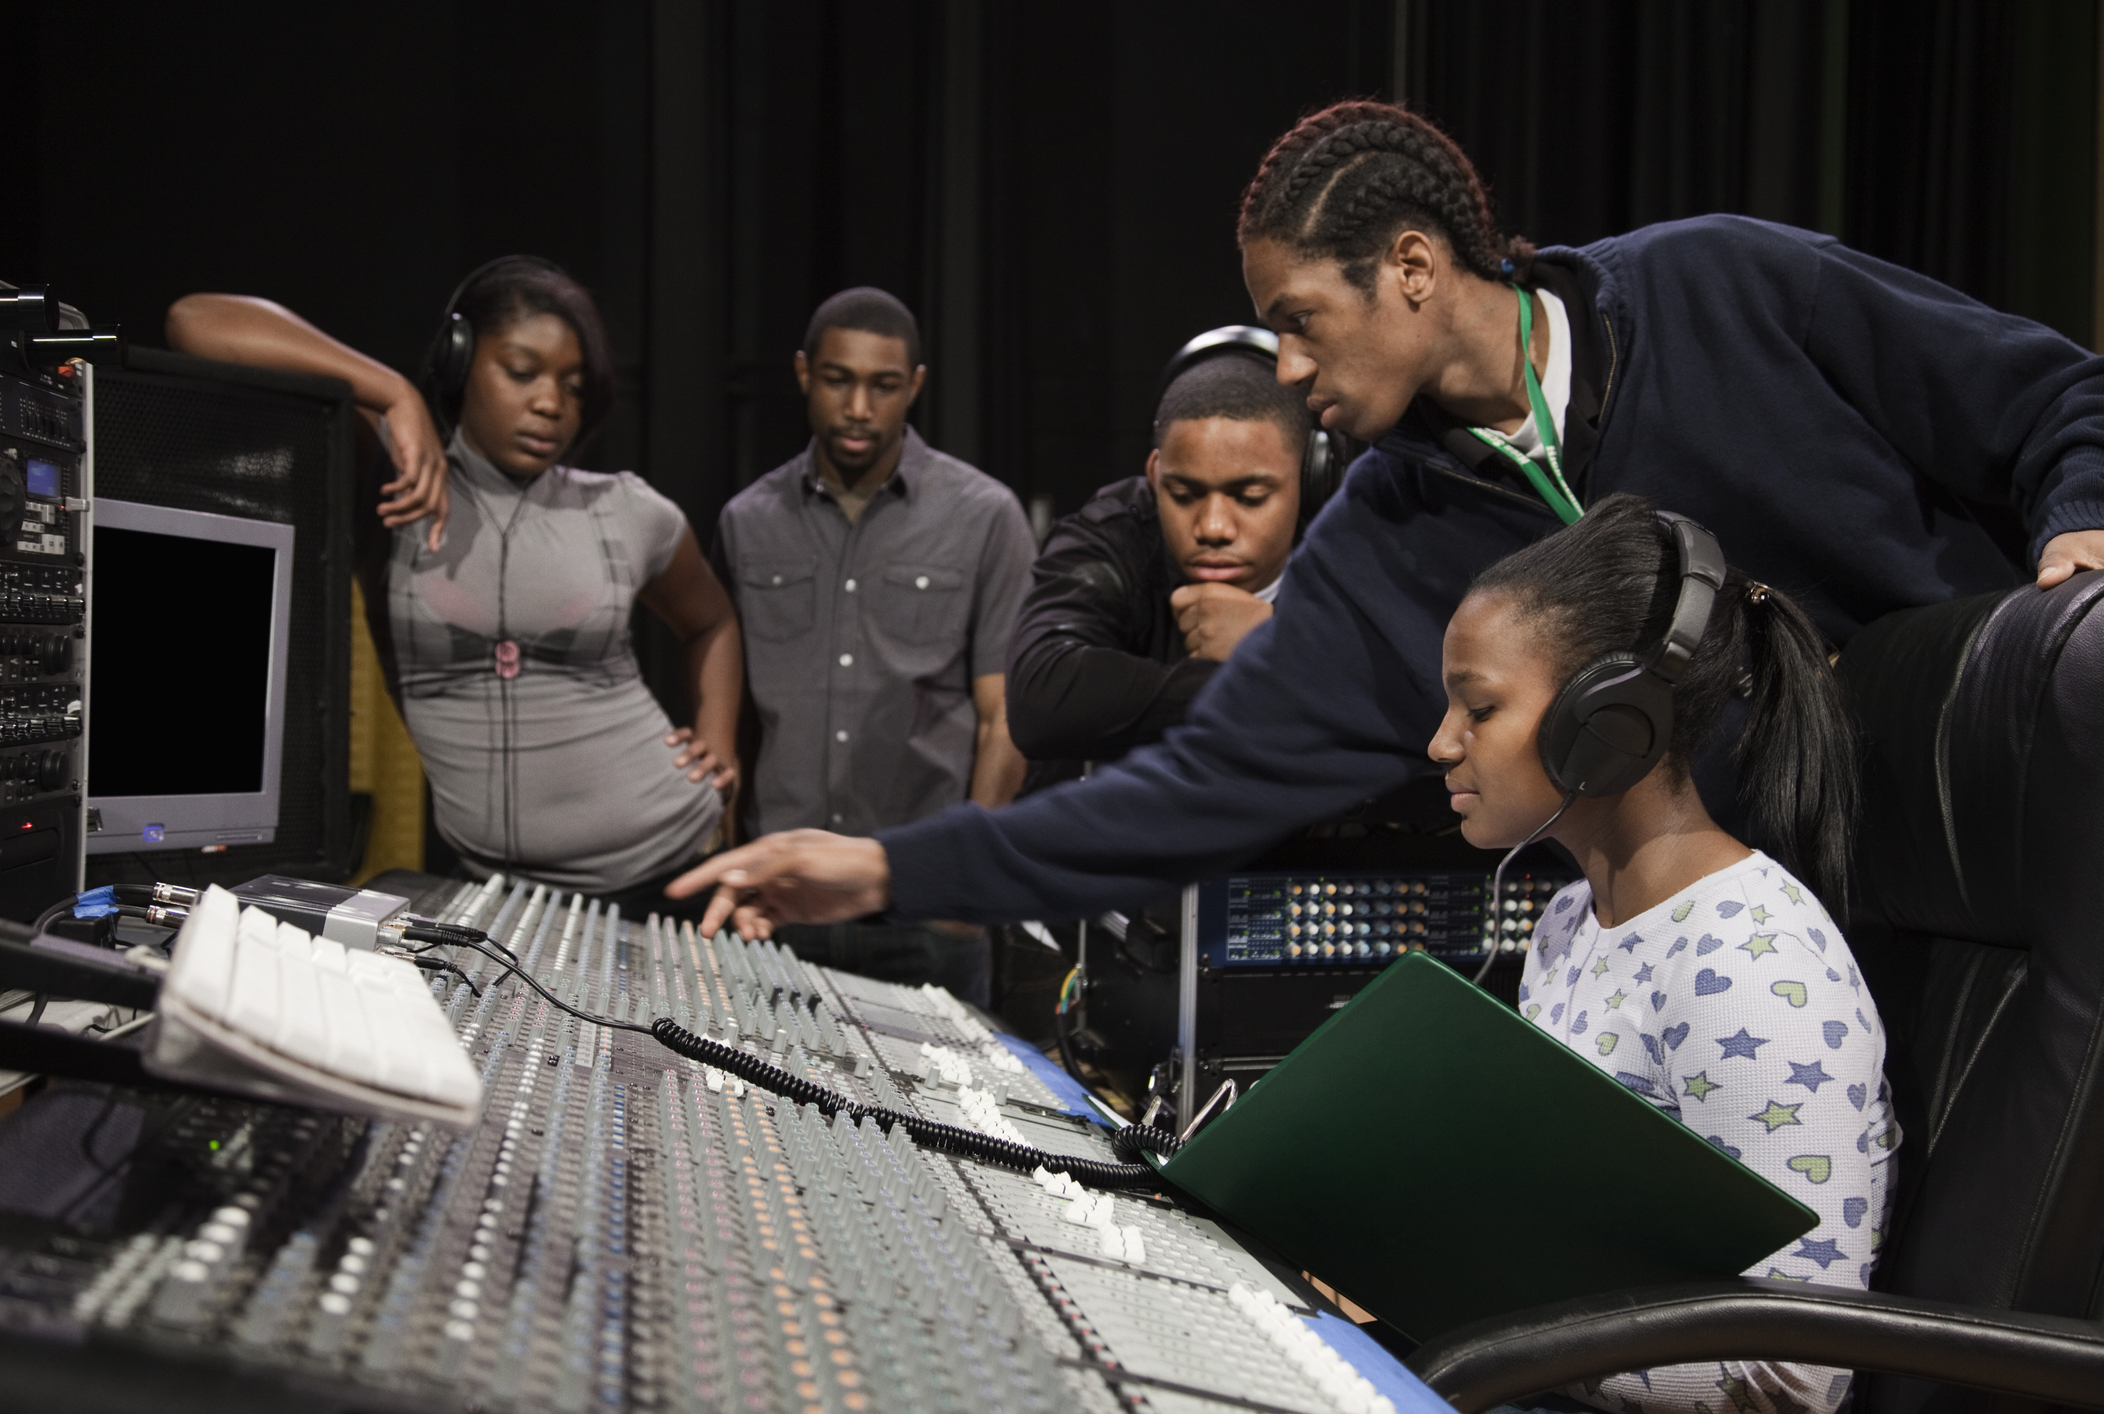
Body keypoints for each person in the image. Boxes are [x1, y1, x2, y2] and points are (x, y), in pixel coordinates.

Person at [667, 99, 2104, 946]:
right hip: (1783, 944)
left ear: (1411, 268)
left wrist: (2079, 538)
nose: (1283, 370)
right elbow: (1177, 802)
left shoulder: (1729, 285)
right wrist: (882, 866)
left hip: (2018, 839)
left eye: (1299, 322)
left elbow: (2054, 403)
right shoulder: (1377, 548)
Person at [1432, 496, 1893, 1414]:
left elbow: (1793, 1371)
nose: (1440, 743)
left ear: (1606, 722)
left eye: (1478, 708)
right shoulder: (1570, 921)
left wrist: (1472, 1326)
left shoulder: (1757, 971)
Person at [168, 257, 741, 908]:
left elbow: (711, 621)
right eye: (521, 373)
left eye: (573, 386)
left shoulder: (628, 510)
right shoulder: (395, 478)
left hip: (677, 862)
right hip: (499, 887)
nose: (550, 403)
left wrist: (717, 740)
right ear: (461, 362)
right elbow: (196, 322)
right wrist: (393, 393)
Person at [711, 286, 1034, 1001]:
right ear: (804, 374)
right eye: (838, 380)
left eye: (883, 386)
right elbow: (727, 721)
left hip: (919, 904)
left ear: (914, 386)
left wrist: (964, 883)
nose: (859, 408)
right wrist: (728, 858)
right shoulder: (747, 522)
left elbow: (1002, 716)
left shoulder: (983, 516)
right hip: (779, 900)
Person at [1009, 348, 1309, 789]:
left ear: (1307, 479)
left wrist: (1281, 639)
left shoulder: (1352, 548)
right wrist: (1273, 668)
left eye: (1249, 498)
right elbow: (1041, 699)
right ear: (1154, 476)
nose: (1213, 528)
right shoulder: (1114, 535)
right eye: (1184, 494)